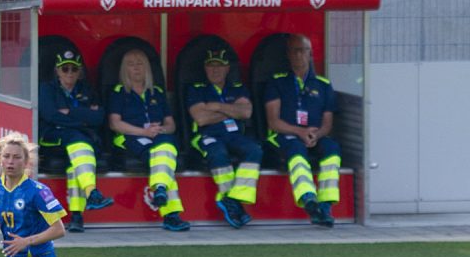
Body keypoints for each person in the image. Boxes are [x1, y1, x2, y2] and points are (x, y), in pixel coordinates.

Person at [107, 48, 191, 232]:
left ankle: (162, 193)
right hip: (130, 138)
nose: (136, 68)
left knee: (164, 151)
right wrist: (143, 132)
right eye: (131, 64)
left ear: (147, 68)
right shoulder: (119, 92)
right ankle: (170, 213)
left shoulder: (157, 92)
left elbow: (171, 124)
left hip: (158, 137)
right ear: (124, 70)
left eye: (140, 64)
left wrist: (161, 129)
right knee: (164, 159)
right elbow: (115, 124)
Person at [264, 34, 340, 227]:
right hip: (284, 135)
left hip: (315, 135)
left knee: (332, 149)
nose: (299, 55)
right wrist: (300, 132)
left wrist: (316, 134)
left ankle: (325, 205)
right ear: (288, 54)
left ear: (310, 54)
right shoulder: (277, 81)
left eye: (303, 50)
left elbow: (328, 122)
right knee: (296, 149)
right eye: (294, 50)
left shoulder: (323, 84)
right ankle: (308, 199)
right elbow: (273, 121)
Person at [37, 49, 114, 233]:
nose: (69, 73)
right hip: (53, 139)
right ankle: (91, 193)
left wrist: (69, 113)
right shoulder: (47, 89)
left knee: (75, 165)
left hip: (80, 140)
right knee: (78, 141)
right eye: (65, 69)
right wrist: (83, 118)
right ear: (57, 70)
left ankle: (77, 216)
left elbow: (99, 117)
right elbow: (50, 115)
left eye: (74, 69)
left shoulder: (87, 89)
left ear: (79, 72)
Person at [187, 49, 262, 229]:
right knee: (218, 153)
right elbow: (201, 118)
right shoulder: (197, 90)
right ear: (205, 68)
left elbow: (246, 112)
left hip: (235, 136)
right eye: (211, 66)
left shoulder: (238, 88)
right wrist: (230, 110)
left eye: (219, 66)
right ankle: (233, 206)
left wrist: (217, 107)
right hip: (206, 135)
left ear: (227, 68)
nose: (215, 70)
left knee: (255, 150)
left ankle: (232, 199)